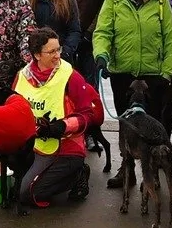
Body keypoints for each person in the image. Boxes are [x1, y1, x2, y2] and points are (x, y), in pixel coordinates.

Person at [93, 0, 172, 181]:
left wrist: (166, 72)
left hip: (153, 75)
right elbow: (102, 32)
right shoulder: (113, 0)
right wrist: (101, 55)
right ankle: (127, 169)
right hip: (122, 73)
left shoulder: (161, 2)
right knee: (125, 124)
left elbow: (170, 39)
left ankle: (151, 174)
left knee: (153, 124)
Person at [12, 27, 105, 208]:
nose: (57, 55)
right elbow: (12, 110)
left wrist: (62, 126)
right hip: (35, 145)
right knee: (14, 191)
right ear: (37, 55)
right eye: (51, 51)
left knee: (28, 195)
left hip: (66, 146)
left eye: (58, 49)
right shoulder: (21, 77)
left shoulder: (71, 76)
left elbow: (87, 115)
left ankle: (78, 174)